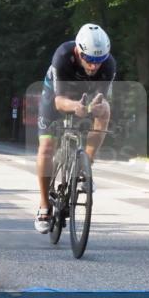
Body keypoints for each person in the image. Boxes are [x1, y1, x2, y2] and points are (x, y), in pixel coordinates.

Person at [34, 24, 115, 233]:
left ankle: (85, 166)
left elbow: (101, 96)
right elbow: (59, 101)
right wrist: (76, 107)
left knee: (105, 110)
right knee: (46, 148)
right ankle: (44, 206)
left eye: (99, 61)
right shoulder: (63, 55)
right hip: (56, 95)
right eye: (89, 59)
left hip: (84, 95)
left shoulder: (108, 64)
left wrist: (96, 106)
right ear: (78, 51)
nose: (94, 66)